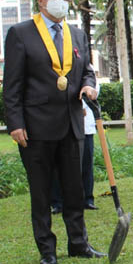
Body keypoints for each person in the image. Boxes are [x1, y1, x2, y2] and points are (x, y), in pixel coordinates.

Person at [3, 0, 105, 264]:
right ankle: (47, 248)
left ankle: (79, 243)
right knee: (42, 192)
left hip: (72, 124)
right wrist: (15, 123)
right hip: (36, 127)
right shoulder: (21, 33)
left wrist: (89, 85)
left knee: (75, 189)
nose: (60, 1)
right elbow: (12, 84)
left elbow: (87, 70)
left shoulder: (77, 34)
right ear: (41, 0)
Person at [50, 76, 100, 214]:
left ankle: (87, 199)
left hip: (85, 126)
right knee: (58, 165)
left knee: (86, 164)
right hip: (60, 124)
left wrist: (81, 105)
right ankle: (58, 202)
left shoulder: (86, 70)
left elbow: (93, 90)